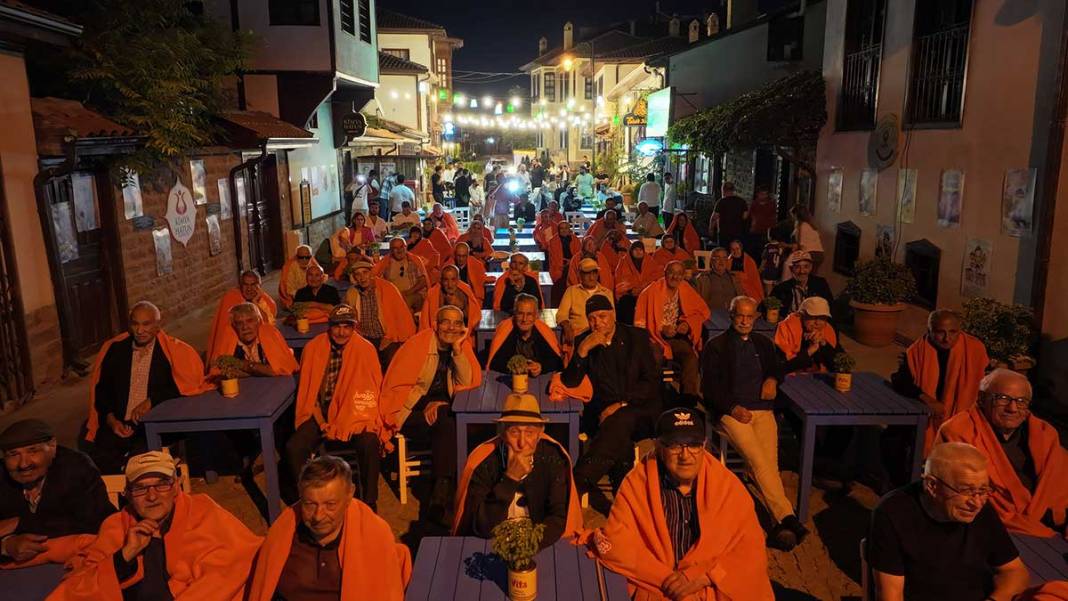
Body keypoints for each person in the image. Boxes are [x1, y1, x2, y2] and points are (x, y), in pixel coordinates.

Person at [585, 409, 774, 601]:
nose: (686, 455)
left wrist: (705, 577)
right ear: (659, 446)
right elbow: (617, 541)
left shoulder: (727, 487)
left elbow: (751, 548)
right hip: (657, 587)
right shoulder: (637, 483)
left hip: (710, 588)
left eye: (693, 445)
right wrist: (667, 580)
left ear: (704, 445)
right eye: (675, 446)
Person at [48, 450, 261, 601]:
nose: (152, 496)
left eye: (161, 485)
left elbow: (232, 567)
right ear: (128, 495)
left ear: (176, 487)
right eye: (140, 488)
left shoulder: (204, 511)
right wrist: (124, 556)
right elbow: (80, 588)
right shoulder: (115, 527)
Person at [702, 296, 807, 549]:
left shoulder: (763, 342)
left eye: (750, 317)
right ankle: (789, 518)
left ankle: (778, 525)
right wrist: (732, 408)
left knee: (769, 463)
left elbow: (776, 369)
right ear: (732, 316)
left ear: (756, 318)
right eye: (740, 316)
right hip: (732, 413)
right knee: (760, 461)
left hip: (762, 410)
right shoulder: (716, 346)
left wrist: (772, 379)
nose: (745, 321)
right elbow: (709, 388)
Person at [867, 442, 1030, 601]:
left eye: (983, 490)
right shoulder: (893, 513)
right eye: (966, 490)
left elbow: (1015, 572)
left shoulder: (980, 508)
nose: (977, 503)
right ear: (932, 486)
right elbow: (890, 596)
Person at [247, 455, 410, 600]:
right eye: (309, 504)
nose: (318, 516)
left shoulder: (373, 536)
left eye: (330, 504)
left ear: (349, 495)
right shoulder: (283, 533)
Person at [380, 306, 481, 524]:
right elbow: (399, 387)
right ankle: (443, 493)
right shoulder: (417, 345)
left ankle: (442, 493)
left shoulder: (461, 347)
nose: (451, 328)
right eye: (446, 322)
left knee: (448, 420)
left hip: (443, 412)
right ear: (435, 324)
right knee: (449, 422)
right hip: (408, 412)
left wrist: (457, 349)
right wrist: (426, 403)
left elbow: (466, 384)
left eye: (457, 323)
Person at [938, 369, 1068, 538]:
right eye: (1003, 398)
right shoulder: (958, 431)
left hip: (1052, 519)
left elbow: (1060, 484)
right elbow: (960, 493)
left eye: (1021, 401)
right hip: (996, 526)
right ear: (982, 398)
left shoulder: (1045, 433)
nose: (1012, 408)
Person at [561, 295, 660, 514]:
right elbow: (570, 382)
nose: (598, 323)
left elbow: (651, 382)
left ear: (613, 314)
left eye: (602, 316)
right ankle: (624, 508)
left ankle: (578, 480)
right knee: (619, 439)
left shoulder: (636, 337)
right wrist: (582, 352)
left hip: (638, 408)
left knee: (620, 420)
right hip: (601, 414)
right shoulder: (585, 340)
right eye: (592, 318)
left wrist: (621, 404)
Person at [84, 301, 208, 474]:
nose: (140, 330)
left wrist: (151, 401)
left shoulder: (170, 353)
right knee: (92, 460)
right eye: (135, 324)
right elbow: (103, 390)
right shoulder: (117, 350)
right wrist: (112, 420)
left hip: (153, 424)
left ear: (158, 326)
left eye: (146, 324)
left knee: (141, 464)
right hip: (119, 423)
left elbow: (182, 387)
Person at [286, 305, 384, 510]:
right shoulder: (314, 348)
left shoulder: (365, 349)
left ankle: (370, 502)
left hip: (353, 411)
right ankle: (307, 500)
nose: (341, 332)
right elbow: (309, 391)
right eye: (336, 326)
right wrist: (322, 423)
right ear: (329, 327)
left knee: (369, 442)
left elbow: (372, 391)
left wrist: (349, 418)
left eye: (347, 326)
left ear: (354, 327)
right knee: (294, 447)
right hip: (321, 412)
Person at [453, 394, 581, 546]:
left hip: (537, 542)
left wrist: (528, 545)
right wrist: (510, 479)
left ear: (540, 434)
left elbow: (558, 517)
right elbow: (481, 527)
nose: (522, 442)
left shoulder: (553, 458)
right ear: (502, 433)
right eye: (514, 432)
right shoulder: (484, 462)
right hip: (492, 542)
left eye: (529, 433)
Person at [0, 420, 112, 565]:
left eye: (32, 451)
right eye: (13, 454)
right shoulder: (2, 475)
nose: (23, 464)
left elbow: (92, 524)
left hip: (78, 561)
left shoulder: (76, 467)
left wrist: (19, 523)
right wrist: (6, 546)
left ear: (52, 446)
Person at [892, 309, 989, 455]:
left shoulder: (974, 349)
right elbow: (900, 380)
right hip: (929, 413)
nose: (947, 338)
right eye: (940, 332)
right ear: (929, 331)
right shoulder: (917, 351)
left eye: (953, 332)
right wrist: (929, 400)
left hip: (964, 415)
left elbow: (987, 382)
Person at [635, 261, 710, 404]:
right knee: (655, 357)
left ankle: (688, 399)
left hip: (675, 337)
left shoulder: (685, 288)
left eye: (679, 274)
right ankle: (653, 397)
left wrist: (687, 324)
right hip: (653, 337)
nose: (675, 277)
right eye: (671, 272)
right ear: (665, 273)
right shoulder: (650, 291)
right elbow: (639, 325)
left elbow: (703, 311)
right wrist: (660, 329)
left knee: (690, 357)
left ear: (683, 276)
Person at [343, 256, 416, 368]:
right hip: (363, 337)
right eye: (358, 274)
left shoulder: (387, 288)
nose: (362, 277)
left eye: (365, 272)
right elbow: (349, 318)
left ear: (372, 273)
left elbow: (401, 317)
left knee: (392, 358)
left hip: (386, 336)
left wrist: (390, 337)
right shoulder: (352, 293)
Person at [205, 270, 277, 361]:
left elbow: (267, 327)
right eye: (245, 285)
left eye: (253, 285)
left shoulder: (267, 302)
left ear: (260, 286)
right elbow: (224, 332)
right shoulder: (231, 298)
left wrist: (255, 302)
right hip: (235, 346)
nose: (249, 289)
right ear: (240, 286)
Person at [486, 294, 563, 375]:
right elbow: (494, 361)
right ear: (514, 313)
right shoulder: (505, 330)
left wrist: (541, 367)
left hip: (540, 380)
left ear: (536, 315)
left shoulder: (544, 332)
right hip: (510, 379)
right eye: (520, 313)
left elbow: (556, 360)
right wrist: (513, 367)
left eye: (529, 314)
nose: (524, 319)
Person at [774, 296, 842, 374]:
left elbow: (839, 365)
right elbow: (784, 366)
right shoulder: (786, 328)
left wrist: (824, 344)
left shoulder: (827, 329)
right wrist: (811, 350)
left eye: (822, 318)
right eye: (813, 318)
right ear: (802, 315)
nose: (817, 323)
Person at [558, 258, 614, 345]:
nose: (591, 277)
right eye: (587, 273)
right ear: (580, 275)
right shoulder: (572, 291)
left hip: (602, 336)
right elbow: (561, 315)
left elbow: (612, 318)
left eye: (594, 273)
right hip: (578, 337)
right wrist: (567, 327)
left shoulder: (607, 293)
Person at [373, 237, 429, 315]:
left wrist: (407, 293)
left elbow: (423, 281)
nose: (399, 250)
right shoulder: (386, 263)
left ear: (406, 247)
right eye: (395, 248)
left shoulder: (414, 260)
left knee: (406, 301)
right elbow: (376, 278)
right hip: (393, 296)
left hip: (413, 294)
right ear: (391, 250)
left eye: (401, 247)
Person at [420, 264, 481, 333]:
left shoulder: (465, 291)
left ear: (458, 279)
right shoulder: (434, 293)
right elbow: (426, 321)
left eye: (453, 279)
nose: (450, 284)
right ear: (441, 280)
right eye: (446, 280)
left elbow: (473, 317)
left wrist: (461, 307)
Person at [769, 251, 834, 315]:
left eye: (806, 266)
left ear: (811, 267)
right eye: (797, 267)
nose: (802, 271)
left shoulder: (820, 284)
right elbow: (768, 307)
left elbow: (830, 307)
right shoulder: (781, 288)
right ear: (791, 269)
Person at [614, 240, 659, 325]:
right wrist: (631, 290)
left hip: (647, 293)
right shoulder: (623, 262)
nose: (638, 252)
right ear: (631, 251)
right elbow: (620, 281)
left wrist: (643, 288)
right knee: (626, 303)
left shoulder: (650, 261)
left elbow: (655, 277)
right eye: (636, 250)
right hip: (629, 294)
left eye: (640, 250)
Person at [693, 247, 742, 313]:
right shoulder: (702, 279)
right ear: (711, 260)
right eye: (717, 258)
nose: (721, 261)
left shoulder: (734, 278)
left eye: (724, 258)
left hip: (733, 314)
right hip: (711, 315)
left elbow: (741, 297)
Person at [547, 221, 581, 305]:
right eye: (561, 228)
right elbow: (553, 258)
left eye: (566, 228)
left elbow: (579, 254)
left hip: (573, 265)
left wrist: (572, 262)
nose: (564, 230)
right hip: (559, 267)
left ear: (569, 229)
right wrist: (563, 263)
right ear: (558, 230)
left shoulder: (575, 239)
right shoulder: (553, 241)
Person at [711, 182, 748, 247]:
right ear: (733, 190)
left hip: (724, 233)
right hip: (738, 232)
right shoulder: (742, 201)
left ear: (723, 190)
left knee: (724, 251)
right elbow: (745, 216)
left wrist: (711, 229)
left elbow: (714, 217)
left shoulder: (721, 202)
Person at [791, 204, 824, 273]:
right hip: (819, 254)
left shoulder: (801, 226)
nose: (792, 218)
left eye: (793, 215)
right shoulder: (811, 225)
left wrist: (786, 246)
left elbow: (799, 245)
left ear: (796, 216)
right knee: (811, 277)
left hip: (810, 254)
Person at [747, 186, 777, 259]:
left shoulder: (771, 204)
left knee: (765, 250)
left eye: (765, 194)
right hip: (755, 230)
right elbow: (750, 215)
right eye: (762, 194)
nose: (764, 196)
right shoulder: (754, 203)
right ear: (758, 194)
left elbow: (773, 217)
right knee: (754, 251)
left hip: (767, 231)